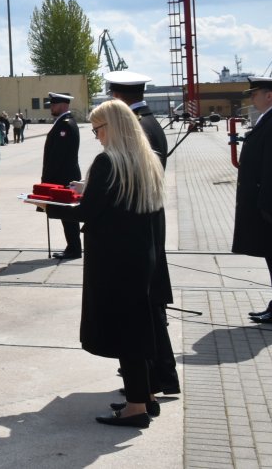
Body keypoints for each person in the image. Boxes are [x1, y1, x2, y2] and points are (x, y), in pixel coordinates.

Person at [46, 100, 166, 428]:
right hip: (140, 256)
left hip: (115, 260)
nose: (97, 136)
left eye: (98, 129)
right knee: (139, 328)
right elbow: (119, 200)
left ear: (112, 127)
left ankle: (136, 408)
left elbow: (88, 212)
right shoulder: (144, 159)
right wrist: (89, 190)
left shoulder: (107, 162)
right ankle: (145, 396)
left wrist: (47, 206)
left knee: (126, 333)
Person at [104, 71, 178, 396]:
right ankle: (162, 375)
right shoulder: (149, 121)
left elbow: (130, 180)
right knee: (151, 306)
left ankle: (151, 377)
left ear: (118, 97)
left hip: (139, 226)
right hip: (149, 220)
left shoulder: (137, 127)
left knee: (145, 308)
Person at [232, 77, 272, 324]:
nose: (252, 98)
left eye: (255, 93)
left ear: (269, 95)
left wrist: (266, 205)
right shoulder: (271, 120)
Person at [41, 93, 83, 260]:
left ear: (64, 105)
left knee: (68, 214)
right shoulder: (63, 123)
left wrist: (47, 180)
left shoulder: (65, 125)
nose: (51, 107)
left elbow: (57, 157)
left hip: (64, 177)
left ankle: (74, 248)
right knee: (66, 215)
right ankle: (72, 247)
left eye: (54, 104)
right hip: (63, 176)